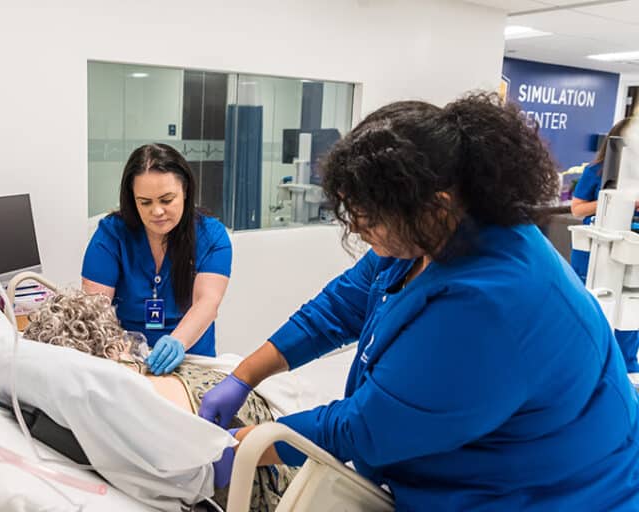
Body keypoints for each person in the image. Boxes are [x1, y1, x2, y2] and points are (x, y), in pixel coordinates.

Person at [199, 93, 639, 510]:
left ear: (437, 205)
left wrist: (240, 446)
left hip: (552, 494)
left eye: (368, 220)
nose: (358, 232)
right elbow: (337, 309)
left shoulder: (493, 304)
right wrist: (243, 376)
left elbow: (366, 427)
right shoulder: (426, 239)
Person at [24, 289, 298, 511]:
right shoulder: (136, 406)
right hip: (278, 470)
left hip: (271, 441)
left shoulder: (105, 407)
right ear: (115, 344)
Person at [82, 144, 232, 375]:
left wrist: (177, 342)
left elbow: (207, 303)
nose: (157, 211)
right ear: (133, 200)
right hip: (125, 359)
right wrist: (125, 358)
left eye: (166, 199)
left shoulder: (211, 235)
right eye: (145, 202)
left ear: (185, 191)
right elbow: (95, 311)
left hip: (192, 359)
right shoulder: (111, 235)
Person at [570, 117, 639, 374]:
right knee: (593, 308)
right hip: (595, 250)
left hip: (630, 251)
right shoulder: (596, 171)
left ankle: (625, 365)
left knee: (629, 310)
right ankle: (588, 365)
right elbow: (577, 208)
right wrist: (615, 203)